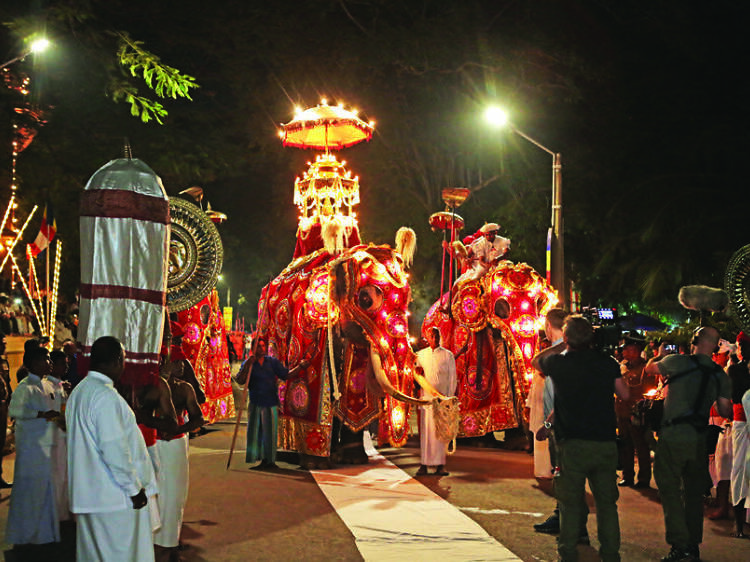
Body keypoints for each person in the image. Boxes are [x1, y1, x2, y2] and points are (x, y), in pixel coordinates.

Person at [536, 315, 628, 562]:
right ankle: (610, 554)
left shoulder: (558, 363)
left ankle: (567, 551)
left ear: (566, 338)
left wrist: (561, 344)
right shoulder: (607, 363)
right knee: (607, 504)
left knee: (570, 502)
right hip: (604, 442)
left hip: (572, 443)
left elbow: (537, 361)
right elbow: (624, 393)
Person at [66, 336, 157, 562]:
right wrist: (134, 490)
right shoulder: (104, 396)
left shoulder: (80, 391)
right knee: (121, 555)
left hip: (91, 495)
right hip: (113, 497)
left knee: (95, 555)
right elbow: (114, 450)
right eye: (124, 360)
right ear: (117, 361)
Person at [645, 326, 732, 562]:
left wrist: (661, 354)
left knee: (670, 490)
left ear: (694, 340)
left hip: (673, 435)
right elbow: (725, 409)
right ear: (715, 346)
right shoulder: (720, 374)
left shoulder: (675, 361)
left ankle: (680, 544)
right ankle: (692, 546)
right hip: (699, 438)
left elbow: (649, 368)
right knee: (693, 494)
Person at [5, 345, 61, 547]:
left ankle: (44, 534)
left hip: (45, 446)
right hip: (31, 447)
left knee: (44, 489)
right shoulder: (25, 386)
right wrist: (41, 415)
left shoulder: (47, 385)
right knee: (30, 490)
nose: (50, 363)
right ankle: (26, 535)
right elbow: (15, 410)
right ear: (34, 363)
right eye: (46, 359)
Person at [152, 350, 205, 560]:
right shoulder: (150, 386)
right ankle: (156, 541)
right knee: (156, 494)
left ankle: (170, 542)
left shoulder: (185, 388)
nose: (182, 366)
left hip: (175, 446)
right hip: (153, 444)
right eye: (177, 362)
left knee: (174, 496)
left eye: (184, 363)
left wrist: (177, 429)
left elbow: (198, 418)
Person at [237, 337, 306, 469]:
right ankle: (260, 459)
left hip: (270, 402)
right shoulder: (249, 363)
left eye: (263, 346)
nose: (261, 348)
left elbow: (286, 375)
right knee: (256, 432)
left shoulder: (272, 362)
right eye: (258, 346)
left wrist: (300, 367)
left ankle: (270, 461)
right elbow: (240, 380)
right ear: (252, 348)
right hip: (255, 401)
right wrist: (247, 365)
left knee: (270, 432)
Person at [530, 308, 569, 535]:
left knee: (562, 472)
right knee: (561, 471)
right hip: (558, 420)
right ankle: (563, 514)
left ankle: (565, 517)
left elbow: (537, 361)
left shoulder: (559, 353)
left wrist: (547, 425)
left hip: (560, 422)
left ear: (547, 325)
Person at [615, 336, 657, 488]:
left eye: (629, 349)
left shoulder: (645, 369)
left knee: (641, 447)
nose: (625, 352)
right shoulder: (622, 366)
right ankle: (628, 476)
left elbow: (647, 391)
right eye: (625, 349)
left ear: (638, 351)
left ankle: (644, 479)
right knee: (625, 446)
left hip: (637, 413)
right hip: (622, 411)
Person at [414, 327, 457, 476]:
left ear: (440, 337)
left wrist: (449, 399)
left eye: (436, 335)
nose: (434, 338)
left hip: (442, 401)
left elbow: (452, 378)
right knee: (426, 434)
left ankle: (440, 465)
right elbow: (416, 375)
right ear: (427, 337)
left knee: (440, 434)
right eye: (431, 336)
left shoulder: (448, 355)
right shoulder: (420, 355)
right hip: (426, 401)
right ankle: (424, 465)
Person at [727, 332, 750, 536]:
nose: (740, 348)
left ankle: (740, 526)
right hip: (742, 422)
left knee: (740, 470)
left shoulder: (735, 370)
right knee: (740, 471)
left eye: (742, 345)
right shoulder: (735, 370)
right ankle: (739, 525)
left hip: (741, 423)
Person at [45, 350, 71, 522]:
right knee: (57, 474)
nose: (66, 366)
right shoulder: (48, 386)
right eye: (62, 363)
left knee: (63, 474)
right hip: (55, 435)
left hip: (63, 435)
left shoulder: (61, 384)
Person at [0, 332, 13, 488]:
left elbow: (7, 383)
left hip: (3, 408)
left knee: (1, 441)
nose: (4, 345)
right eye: (2, 343)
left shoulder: (3, 362)